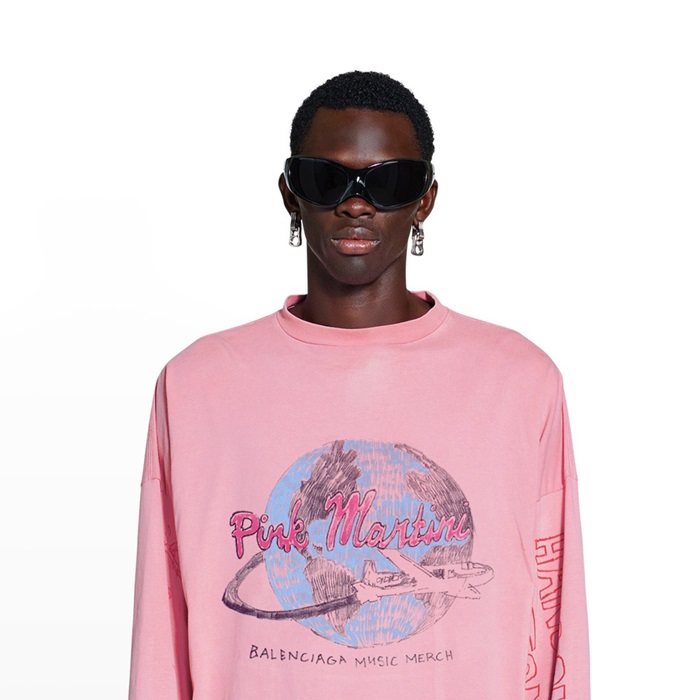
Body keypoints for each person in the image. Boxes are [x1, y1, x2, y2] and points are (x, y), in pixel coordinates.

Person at [129, 71, 590, 699]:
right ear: (291, 193)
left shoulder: (519, 382)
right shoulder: (196, 386)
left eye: (389, 181)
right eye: (327, 179)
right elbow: (160, 638)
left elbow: (554, 624)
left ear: (425, 199)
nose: (356, 203)